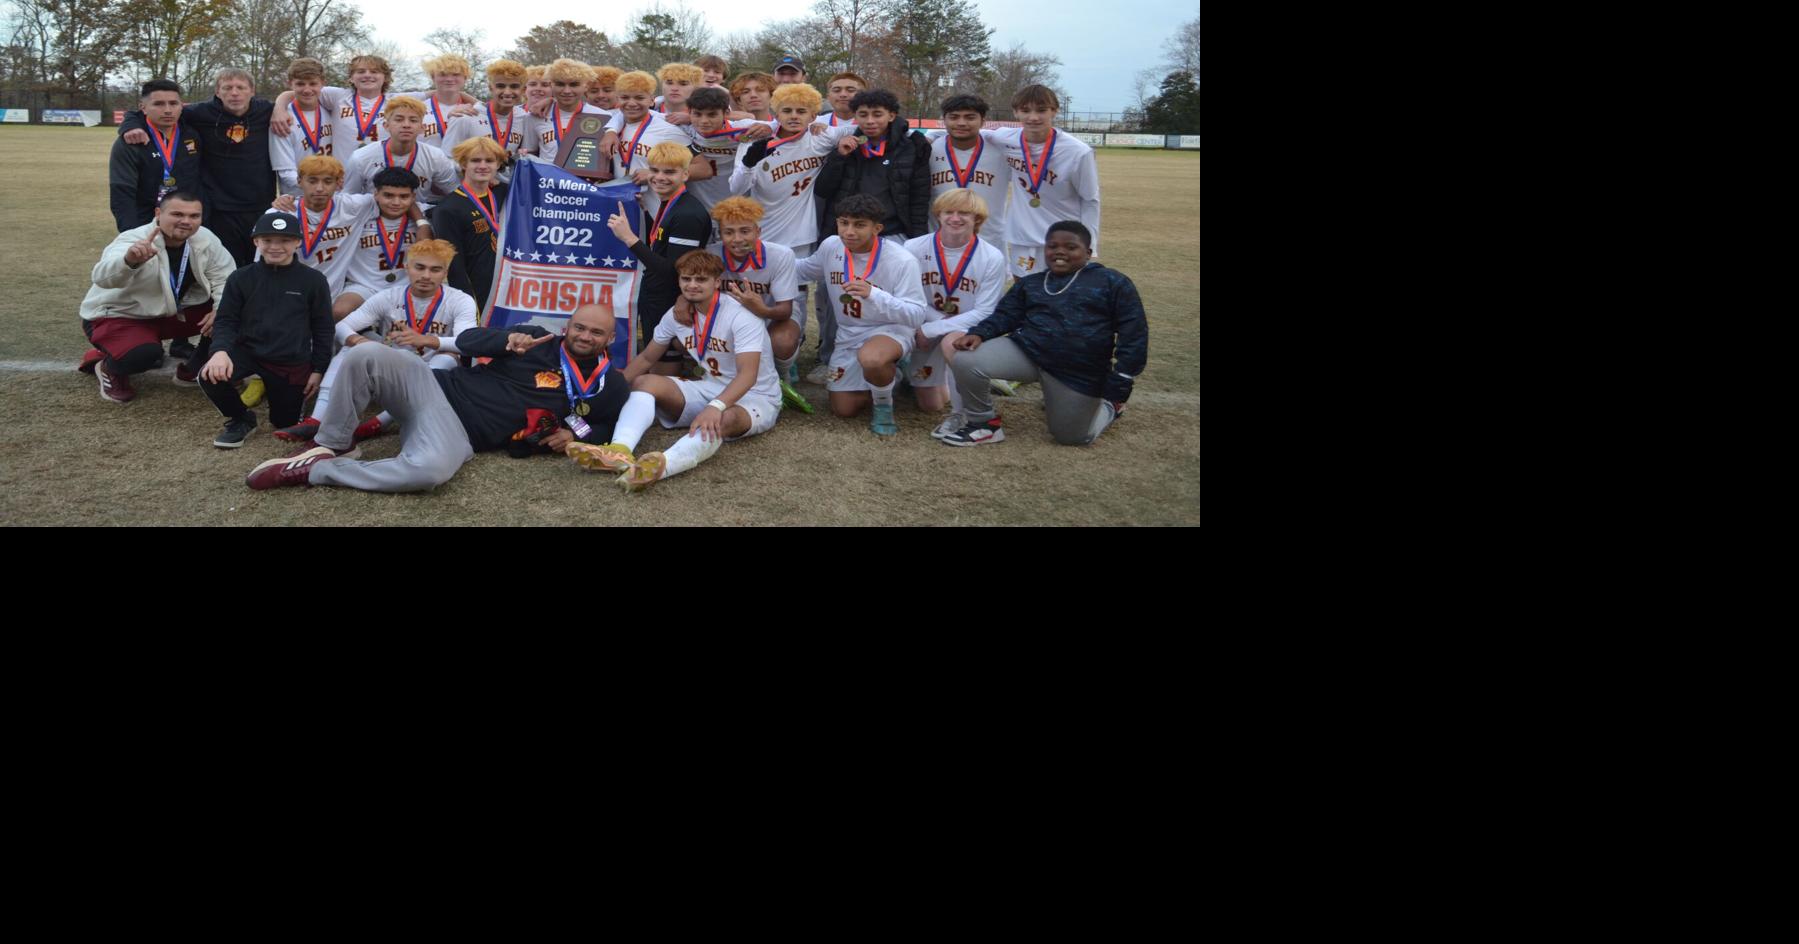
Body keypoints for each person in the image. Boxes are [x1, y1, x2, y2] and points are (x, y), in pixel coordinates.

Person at [242, 304, 629, 492]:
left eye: (596, 333)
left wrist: (577, 437)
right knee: (365, 354)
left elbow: (608, 423)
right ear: (568, 326)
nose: (585, 336)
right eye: (579, 327)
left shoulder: (609, 383)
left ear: (610, 339)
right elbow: (466, 342)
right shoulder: (536, 339)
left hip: (459, 436)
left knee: (427, 474)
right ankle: (333, 444)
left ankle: (316, 472)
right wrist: (504, 341)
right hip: (432, 390)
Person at [567, 251, 781, 491]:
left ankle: (662, 466)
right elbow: (648, 357)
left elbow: (748, 375)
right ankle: (619, 450)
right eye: (686, 279)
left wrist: (716, 406)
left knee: (723, 419)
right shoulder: (676, 315)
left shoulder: (741, 316)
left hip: (757, 396)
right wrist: (609, 394)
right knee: (645, 382)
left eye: (700, 280)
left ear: (716, 282)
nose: (692, 285)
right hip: (712, 386)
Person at [943, 222, 1145, 447]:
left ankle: (1109, 407)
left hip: (1077, 371)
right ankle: (983, 424)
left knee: (1073, 437)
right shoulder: (1032, 283)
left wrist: (1123, 378)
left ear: (1088, 253)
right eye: (1053, 246)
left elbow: (1133, 332)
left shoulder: (1112, 282)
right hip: (1028, 354)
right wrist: (980, 334)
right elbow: (1005, 315)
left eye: (1070, 247)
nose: (1060, 252)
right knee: (967, 358)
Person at [274, 238, 479, 444]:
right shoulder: (389, 296)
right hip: (392, 365)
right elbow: (341, 325)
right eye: (420, 267)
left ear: (445, 273)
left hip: (430, 371)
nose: (426, 275)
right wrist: (358, 341)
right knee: (349, 349)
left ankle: (379, 423)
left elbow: (467, 342)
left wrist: (427, 340)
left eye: (435, 270)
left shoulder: (460, 300)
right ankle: (316, 418)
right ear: (406, 267)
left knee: (448, 358)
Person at [78, 191, 236, 403]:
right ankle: (108, 366)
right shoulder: (134, 240)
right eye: (177, 214)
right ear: (158, 213)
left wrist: (220, 310)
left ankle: (194, 369)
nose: (186, 222)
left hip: (167, 311)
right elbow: (103, 278)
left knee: (233, 310)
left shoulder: (204, 238)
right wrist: (129, 261)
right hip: (120, 315)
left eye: (194, 216)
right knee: (145, 355)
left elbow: (224, 278)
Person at [793, 194, 930, 436]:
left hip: (889, 329)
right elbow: (805, 270)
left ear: (877, 228)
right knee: (843, 408)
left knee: (873, 359)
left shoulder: (901, 260)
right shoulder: (831, 246)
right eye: (843, 222)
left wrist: (875, 295)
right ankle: (892, 375)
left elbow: (917, 314)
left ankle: (883, 407)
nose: (849, 232)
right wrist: (767, 259)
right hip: (849, 333)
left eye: (859, 225)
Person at [198, 212, 333, 448]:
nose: (275, 247)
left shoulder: (314, 280)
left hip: (289, 359)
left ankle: (280, 397)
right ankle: (241, 418)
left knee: (284, 423)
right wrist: (219, 352)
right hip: (248, 351)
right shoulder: (240, 278)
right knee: (209, 375)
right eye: (268, 240)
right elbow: (226, 320)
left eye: (284, 241)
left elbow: (323, 327)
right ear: (256, 242)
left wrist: (319, 368)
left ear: (298, 242)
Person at [119, 68, 277, 267]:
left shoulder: (266, 111)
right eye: (227, 88)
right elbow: (152, 111)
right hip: (220, 209)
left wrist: (281, 108)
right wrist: (130, 125)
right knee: (227, 265)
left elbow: (297, 101)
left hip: (261, 205)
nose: (234, 93)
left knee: (261, 264)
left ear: (252, 91)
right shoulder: (200, 112)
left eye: (241, 87)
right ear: (217, 92)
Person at [901, 190, 1007, 436]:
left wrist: (934, 329)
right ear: (938, 215)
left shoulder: (992, 257)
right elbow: (909, 297)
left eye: (964, 213)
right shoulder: (913, 247)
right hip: (925, 320)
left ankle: (962, 414)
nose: (955, 218)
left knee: (953, 342)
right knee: (930, 405)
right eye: (949, 212)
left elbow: (985, 310)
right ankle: (912, 371)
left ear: (977, 219)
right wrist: (935, 322)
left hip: (963, 327)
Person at [606, 141, 712, 375]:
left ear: (685, 174)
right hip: (657, 296)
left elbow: (673, 271)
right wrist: (646, 214)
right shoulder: (670, 205)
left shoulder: (688, 214)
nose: (660, 177)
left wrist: (629, 238)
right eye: (654, 171)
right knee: (654, 360)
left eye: (670, 172)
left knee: (663, 367)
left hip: (668, 299)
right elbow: (662, 244)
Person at [998, 84, 1101, 278]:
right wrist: (932, 136)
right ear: (1016, 113)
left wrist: (1090, 243)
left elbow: (1090, 199)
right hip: (1023, 236)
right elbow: (970, 133)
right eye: (1025, 111)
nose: (1033, 117)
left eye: (1042, 110)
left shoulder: (1078, 152)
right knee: (1025, 292)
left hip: (1062, 239)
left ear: (1054, 111)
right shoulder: (1005, 138)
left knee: (1060, 294)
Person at [265, 155, 385, 316]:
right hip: (287, 295)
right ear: (299, 181)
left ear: (339, 183)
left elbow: (399, 198)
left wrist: (421, 222)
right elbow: (264, 265)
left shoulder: (354, 206)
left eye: (328, 181)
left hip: (331, 296)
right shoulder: (279, 214)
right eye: (312, 181)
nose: (320, 188)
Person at [710, 196, 802, 387]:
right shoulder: (711, 254)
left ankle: (781, 374)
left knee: (783, 341)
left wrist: (761, 310)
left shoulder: (781, 254)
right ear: (720, 234)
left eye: (745, 231)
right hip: (730, 318)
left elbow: (785, 310)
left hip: (773, 315)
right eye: (729, 232)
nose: (737, 239)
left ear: (758, 231)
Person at [337, 166, 433, 317]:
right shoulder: (360, 212)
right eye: (388, 195)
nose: (396, 202)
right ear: (376, 194)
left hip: (406, 287)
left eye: (404, 196)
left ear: (413, 197)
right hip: (363, 286)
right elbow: (328, 203)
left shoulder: (426, 214)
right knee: (339, 311)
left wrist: (422, 223)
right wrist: (287, 199)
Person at [109, 79, 201, 233]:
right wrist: (131, 234)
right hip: (146, 222)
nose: (167, 110)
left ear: (181, 106)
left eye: (173, 103)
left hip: (188, 221)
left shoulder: (193, 134)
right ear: (143, 108)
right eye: (158, 104)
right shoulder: (131, 141)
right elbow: (122, 193)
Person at [430, 136, 509, 312]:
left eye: (489, 160)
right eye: (475, 160)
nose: (483, 166)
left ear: (497, 165)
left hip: (507, 286)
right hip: (476, 289)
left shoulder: (505, 193)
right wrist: (467, 303)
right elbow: (454, 264)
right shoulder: (448, 209)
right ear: (463, 164)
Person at [340, 96, 460, 199]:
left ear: (422, 128)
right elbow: (348, 198)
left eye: (413, 120)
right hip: (374, 220)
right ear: (386, 126)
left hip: (418, 219)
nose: (406, 125)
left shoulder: (435, 156)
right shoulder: (360, 157)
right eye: (399, 119)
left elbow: (456, 193)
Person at [929, 95, 1010, 242]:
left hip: (990, 240)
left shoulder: (1001, 151)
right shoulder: (928, 150)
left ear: (983, 121)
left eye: (970, 117)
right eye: (954, 117)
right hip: (940, 242)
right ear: (944, 120)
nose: (961, 123)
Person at [683, 87, 774, 211]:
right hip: (698, 206)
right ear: (689, 112)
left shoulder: (744, 128)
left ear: (726, 113)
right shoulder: (682, 130)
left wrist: (770, 128)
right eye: (697, 114)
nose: (704, 121)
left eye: (712, 114)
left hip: (738, 204)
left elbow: (784, 125)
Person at [441, 59, 530, 172]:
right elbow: (446, 159)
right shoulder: (465, 116)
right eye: (500, 86)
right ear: (490, 88)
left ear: (523, 90)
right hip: (474, 187)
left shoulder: (524, 118)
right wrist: (478, 175)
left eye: (514, 86)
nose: (507, 92)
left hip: (510, 187)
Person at [270, 58, 336, 197]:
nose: (307, 90)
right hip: (297, 198)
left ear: (323, 83)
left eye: (313, 83)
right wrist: (318, 186)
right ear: (290, 84)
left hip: (333, 194)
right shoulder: (281, 119)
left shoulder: (332, 108)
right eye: (300, 84)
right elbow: (286, 172)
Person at [522, 59, 606, 165]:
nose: (566, 91)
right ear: (551, 85)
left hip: (582, 180)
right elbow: (531, 153)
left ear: (586, 86)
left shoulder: (602, 116)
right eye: (560, 84)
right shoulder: (535, 116)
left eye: (574, 85)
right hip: (547, 179)